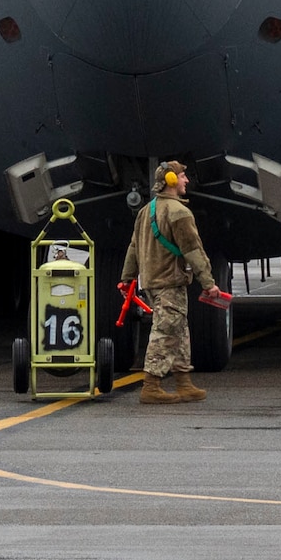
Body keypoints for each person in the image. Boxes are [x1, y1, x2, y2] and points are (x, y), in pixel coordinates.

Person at [120, 159, 223, 405]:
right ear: (171, 181)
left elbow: (133, 247)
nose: (187, 180)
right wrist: (208, 282)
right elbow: (193, 250)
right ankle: (151, 385)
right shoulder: (179, 213)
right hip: (170, 281)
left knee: (179, 330)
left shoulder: (146, 210)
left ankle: (183, 382)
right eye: (183, 176)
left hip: (153, 282)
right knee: (165, 331)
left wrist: (127, 278)